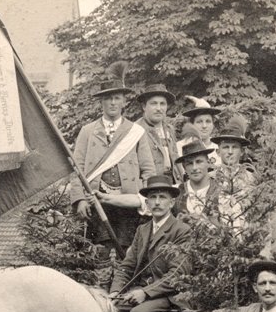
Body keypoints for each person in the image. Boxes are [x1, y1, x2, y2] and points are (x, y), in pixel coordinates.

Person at [70, 62, 156, 248]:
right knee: (100, 251)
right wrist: (79, 199)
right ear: (101, 102)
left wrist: (145, 200)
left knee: (127, 250)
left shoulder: (136, 132)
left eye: (117, 98)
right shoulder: (87, 131)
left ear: (124, 102)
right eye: (108, 98)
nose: (113, 103)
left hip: (128, 201)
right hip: (96, 200)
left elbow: (149, 171)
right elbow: (76, 168)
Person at [110, 175, 192, 312]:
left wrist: (145, 292)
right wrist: (115, 291)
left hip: (169, 295)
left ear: (172, 203)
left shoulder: (182, 231)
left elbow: (177, 274)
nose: (157, 202)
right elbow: (127, 266)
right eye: (153, 197)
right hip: (140, 291)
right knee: (110, 310)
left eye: (162, 197)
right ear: (147, 203)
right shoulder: (142, 230)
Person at [135, 83, 183, 183]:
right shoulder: (136, 130)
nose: (158, 108)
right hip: (151, 183)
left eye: (162, 104)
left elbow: (175, 158)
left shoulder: (169, 129)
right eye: (154, 103)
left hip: (173, 182)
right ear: (144, 106)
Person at [174, 140, 221, 219]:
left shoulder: (220, 190)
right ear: (184, 167)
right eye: (189, 163)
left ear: (208, 163)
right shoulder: (177, 192)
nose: (194, 167)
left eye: (199, 162)